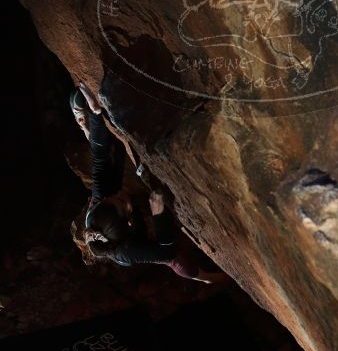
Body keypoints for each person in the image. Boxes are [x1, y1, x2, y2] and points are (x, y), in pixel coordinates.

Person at [70, 83, 224, 283]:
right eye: (122, 202)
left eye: (114, 199)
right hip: (138, 241)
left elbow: (99, 157)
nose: (120, 196)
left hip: (116, 217)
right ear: (127, 222)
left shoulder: (99, 205)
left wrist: (95, 113)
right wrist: (159, 215)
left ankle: (86, 128)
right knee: (180, 263)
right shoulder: (128, 252)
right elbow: (167, 252)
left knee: (112, 152)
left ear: (103, 203)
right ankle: (212, 279)